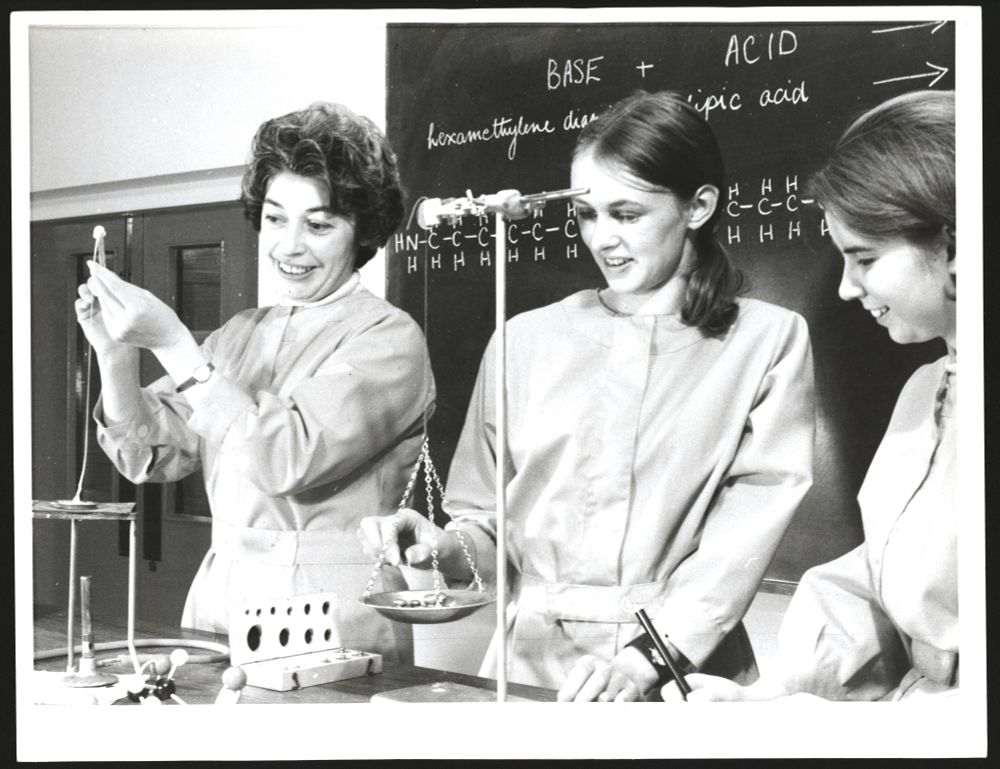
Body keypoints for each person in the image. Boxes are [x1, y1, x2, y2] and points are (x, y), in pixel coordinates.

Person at [359, 90, 815, 697]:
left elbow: (738, 545)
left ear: (698, 206)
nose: (602, 238)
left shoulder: (766, 340)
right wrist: (442, 545)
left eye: (627, 215)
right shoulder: (523, 340)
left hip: (682, 671)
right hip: (532, 668)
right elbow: (488, 531)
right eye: (586, 215)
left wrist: (643, 660)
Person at [77, 102, 435, 663]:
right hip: (221, 598)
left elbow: (285, 458)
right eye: (274, 218)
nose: (289, 246)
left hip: (331, 612)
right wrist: (116, 354)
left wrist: (174, 345)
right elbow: (150, 456)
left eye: (317, 224)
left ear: (361, 230)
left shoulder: (390, 339)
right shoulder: (239, 333)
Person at [663, 90, 957, 702]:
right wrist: (769, 699)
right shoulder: (926, 390)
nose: (848, 288)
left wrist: (815, 726)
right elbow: (877, 585)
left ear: (955, 246)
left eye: (865, 258)